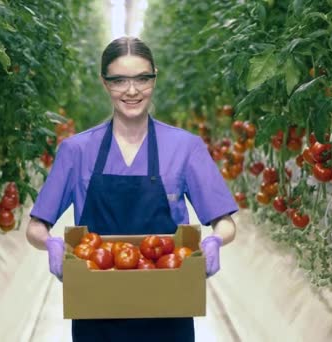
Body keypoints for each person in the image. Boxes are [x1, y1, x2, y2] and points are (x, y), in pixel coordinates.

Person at [26, 36, 238, 342]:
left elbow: (224, 220)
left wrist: (217, 239)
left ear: (155, 77)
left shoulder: (185, 147)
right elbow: (36, 225)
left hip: (169, 307)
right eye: (119, 80)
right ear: (104, 83)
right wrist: (51, 245)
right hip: (95, 307)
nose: (132, 90)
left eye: (142, 78)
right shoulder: (76, 150)